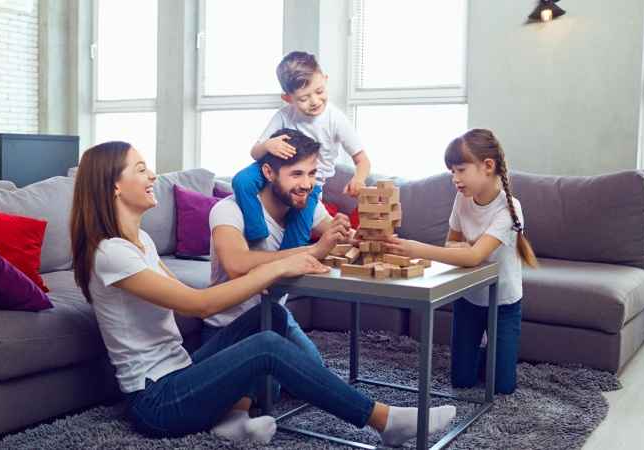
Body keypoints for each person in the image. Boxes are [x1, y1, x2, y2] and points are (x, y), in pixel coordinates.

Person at [70, 141, 456, 446]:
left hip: (180, 372)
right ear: (114, 185)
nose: (153, 174)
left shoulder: (140, 241)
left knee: (264, 318)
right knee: (267, 346)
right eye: (141, 169)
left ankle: (232, 419)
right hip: (155, 401)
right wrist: (277, 266)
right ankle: (384, 421)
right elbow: (199, 304)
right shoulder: (111, 253)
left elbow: (185, 292)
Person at [384, 129, 538, 395]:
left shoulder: (510, 207)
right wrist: (463, 250)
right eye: (451, 172)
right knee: (461, 381)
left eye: (460, 170)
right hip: (469, 298)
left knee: (502, 386)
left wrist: (417, 248)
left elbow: (474, 255)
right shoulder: (462, 199)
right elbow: (451, 244)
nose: (454, 179)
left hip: (503, 301)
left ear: (487, 166)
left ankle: (497, 354)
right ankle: (482, 353)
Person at [205, 128, 352, 398]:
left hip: (275, 315)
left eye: (311, 173)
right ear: (269, 173)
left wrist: (352, 234)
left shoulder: (306, 204)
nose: (307, 184)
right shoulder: (229, 209)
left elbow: (340, 241)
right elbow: (237, 264)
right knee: (269, 392)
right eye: (296, 174)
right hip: (230, 324)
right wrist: (314, 249)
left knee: (314, 371)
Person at [232, 50, 371, 249]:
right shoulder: (283, 115)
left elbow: (363, 160)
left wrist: (359, 178)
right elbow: (255, 152)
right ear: (288, 98)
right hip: (274, 172)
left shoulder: (336, 119)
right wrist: (267, 145)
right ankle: (257, 233)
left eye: (320, 91)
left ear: (325, 79)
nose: (314, 101)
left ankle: (290, 257)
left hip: (309, 184)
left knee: (298, 225)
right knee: (242, 180)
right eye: (304, 98)